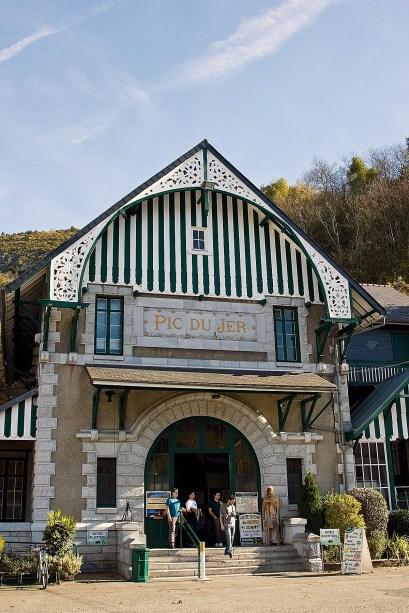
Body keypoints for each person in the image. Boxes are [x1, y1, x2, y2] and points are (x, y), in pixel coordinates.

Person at [221, 494, 237, 558]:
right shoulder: (224, 506)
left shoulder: (233, 506)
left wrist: (234, 514)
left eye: (234, 501)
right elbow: (221, 516)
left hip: (233, 523)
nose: (233, 502)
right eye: (232, 501)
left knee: (232, 538)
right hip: (227, 524)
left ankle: (227, 550)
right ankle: (230, 551)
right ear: (229, 500)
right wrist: (221, 524)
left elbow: (235, 513)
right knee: (229, 537)